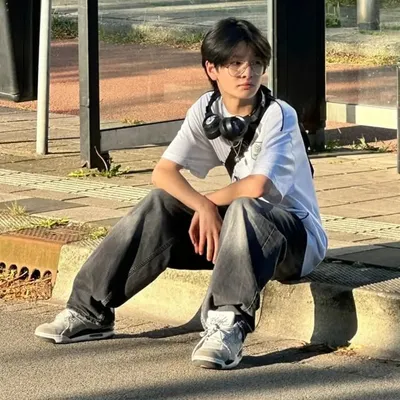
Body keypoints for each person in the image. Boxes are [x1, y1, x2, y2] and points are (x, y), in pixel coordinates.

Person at [34, 17, 327, 370]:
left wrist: (207, 205)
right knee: (160, 204)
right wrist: (201, 205)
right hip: (239, 236)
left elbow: (257, 186)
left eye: (255, 63)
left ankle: (227, 324)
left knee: (244, 206)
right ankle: (89, 311)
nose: (247, 72)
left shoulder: (279, 114)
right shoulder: (207, 110)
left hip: (295, 240)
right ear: (212, 68)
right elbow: (163, 174)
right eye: (235, 63)